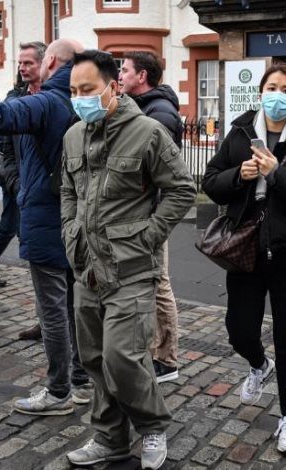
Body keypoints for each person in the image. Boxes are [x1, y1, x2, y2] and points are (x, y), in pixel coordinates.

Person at [61, 49, 195, 470]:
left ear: (113, 86)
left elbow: (181, 189)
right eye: (73, 91)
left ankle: (152, 426)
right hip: (87, 268)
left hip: (131, 268)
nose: (79, 98)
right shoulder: (73, 136)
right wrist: (69, 231)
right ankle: (110, 438)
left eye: (87, 89)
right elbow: (67, 190)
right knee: (94, 358)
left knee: (123, 357)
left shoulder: (148, 132)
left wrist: (149, 237)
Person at [202, 63, 286, 455]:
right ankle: (259, 365)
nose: (277, 95)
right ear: (260, 92)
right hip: (245, 248)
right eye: (271, 87)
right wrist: (239, 176)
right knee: (239, 329)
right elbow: (211, 182)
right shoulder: (240, 134)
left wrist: (278, 174)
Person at [0, 38, 92, 414]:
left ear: (51, 61)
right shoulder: (83, 99)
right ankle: (81, 381)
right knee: (75, 306)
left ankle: (59, 390)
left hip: (47, 219)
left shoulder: (49, 100)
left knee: (53, 310)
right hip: (77, 218)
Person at [119, 50, 183, 383]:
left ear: (141, 76)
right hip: (137, 212)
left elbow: (156, 169)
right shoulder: (141, 107)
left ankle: (167, 360)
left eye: (125, 70)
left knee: (158, 284)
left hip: (150, 214)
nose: (120, 75)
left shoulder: (160, 114)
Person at [0, 42, 46, 297]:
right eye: (20, 63)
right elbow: (5, 149)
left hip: (46, 184)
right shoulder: (15, 99)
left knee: (19, 230)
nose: (22, 68)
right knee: (11, 227)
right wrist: (16, 183)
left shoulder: (56, 96)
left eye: (28, 63)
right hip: (18, 182)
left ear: (45, 63)